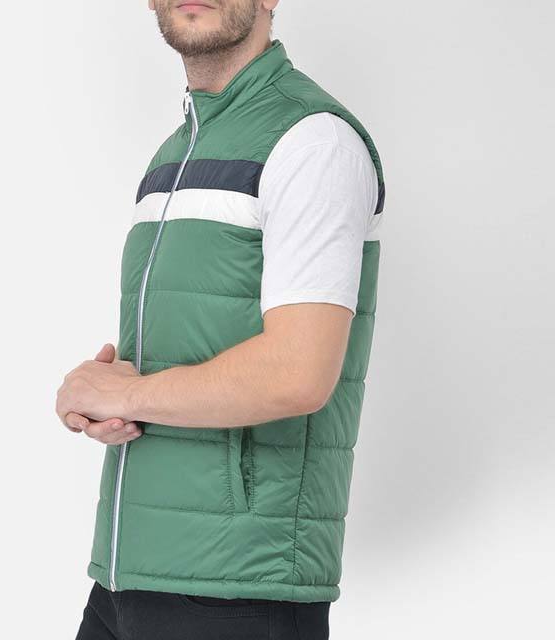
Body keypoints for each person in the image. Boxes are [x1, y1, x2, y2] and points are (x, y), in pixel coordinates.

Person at [56, 1, 385, 638]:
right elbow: (173, 361)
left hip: (239, 586)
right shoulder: (174, 155)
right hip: (129, 572)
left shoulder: (312, 140)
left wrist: (128, 395)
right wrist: (98, 395)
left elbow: (297, 374)